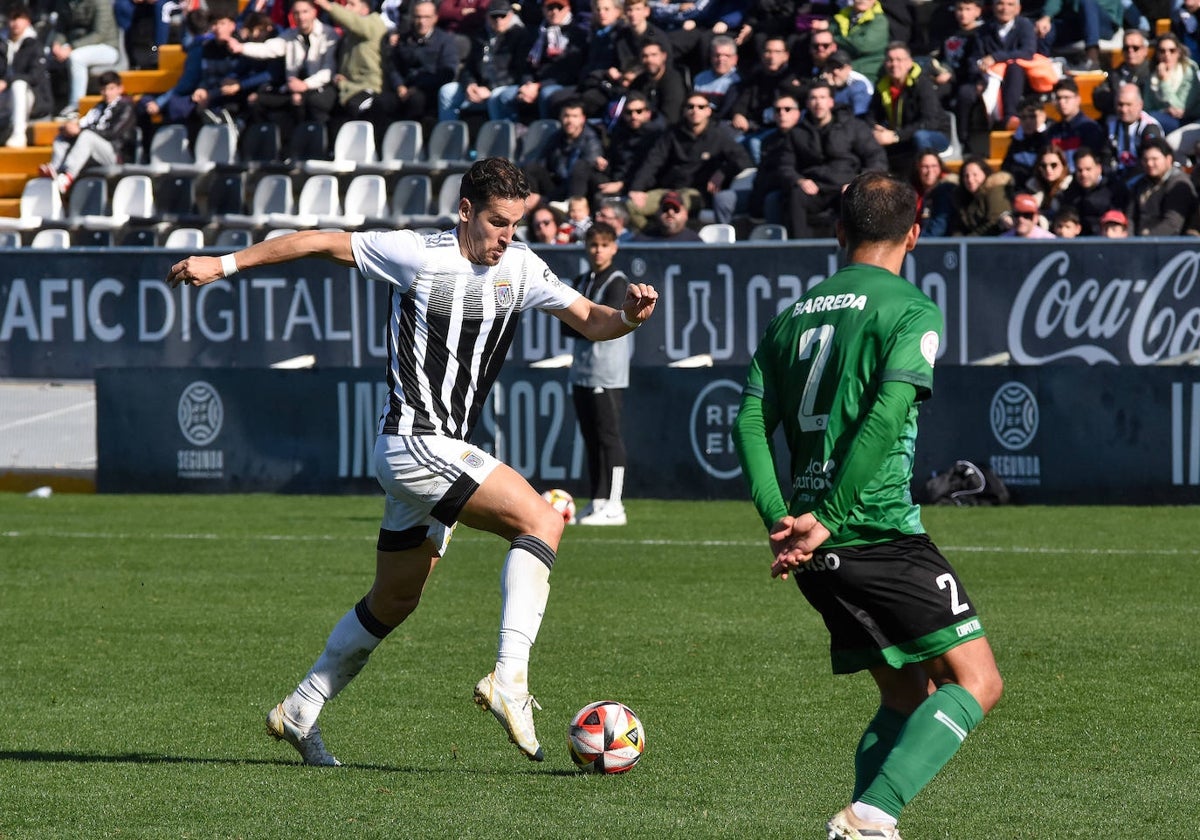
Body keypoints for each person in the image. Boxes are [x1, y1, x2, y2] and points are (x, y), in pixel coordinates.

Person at [164, 157, 659, 767]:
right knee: (543, 521)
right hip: (416, 441)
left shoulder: (521, 266)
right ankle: (511, 680)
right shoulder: (418, 253)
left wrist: (629, 318)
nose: (506, 236)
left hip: (428, 453)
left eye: (515, 224)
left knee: (394, 599)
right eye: (497, 223)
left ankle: (301, 707)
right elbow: (320, 242)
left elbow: (590, 319)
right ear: (465, 212)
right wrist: (225, 263)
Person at [731, 170, 1003, 840]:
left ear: (838, 231)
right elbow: (886, 418)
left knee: (908, 695)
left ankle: (862, 824)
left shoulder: (792, 315)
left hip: (815, 548)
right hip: (875, 533)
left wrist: (781, 516)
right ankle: (869, 815)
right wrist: (828, 517)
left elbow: (747, 422)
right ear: (915, 233)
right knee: (977, 680)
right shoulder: (911, 308)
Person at [561, 221, 633, 526]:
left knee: (608, 436)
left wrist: (584, 324)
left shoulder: (618, 282)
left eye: (604, 244)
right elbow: (567, 324)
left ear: (614, 247)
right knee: (590, 438)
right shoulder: (582, 280)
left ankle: (616, 504)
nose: (598, 250)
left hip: (607, 371)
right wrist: (584, 324)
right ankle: (598, 499)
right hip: (582, 370)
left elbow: (601, 326)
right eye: (593, 244)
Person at [626, 91, 752, 228]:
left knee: (674, 207)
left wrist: (723, 172)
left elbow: (744, 160)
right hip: (668, 190)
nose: (695, 111)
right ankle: (651, 235)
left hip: (696, 194)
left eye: (701, 107)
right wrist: (637, 188)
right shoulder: (672, 134)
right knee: (631, 206)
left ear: (708, 111)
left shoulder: (719, 136)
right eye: (690, 107)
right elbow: (653, 161)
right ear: (684, 110)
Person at [224, 0, 340, 141]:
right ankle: (269, 146)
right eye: (296, 13)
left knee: (303, 101)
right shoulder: (290, 35)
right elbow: (269, 48)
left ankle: (314, 146)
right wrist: (241, 48)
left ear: (314, 12)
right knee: (256, 100)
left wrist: (305, 85)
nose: (301, 17)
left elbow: (328, 71)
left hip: (319, 88)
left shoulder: (328, 34)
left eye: (305, 12)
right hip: (292, 87)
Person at [786, 81, 889, 238]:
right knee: (795, 194)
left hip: (845, 186)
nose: (818, 103)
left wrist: (858, 183)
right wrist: (799, 180)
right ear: (807, 103)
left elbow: (876, 158)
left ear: (831, 102)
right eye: (813, 98)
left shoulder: (854, 126)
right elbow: (784, 165)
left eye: (822, 97)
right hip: (814, 189)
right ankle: (799, 250)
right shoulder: (797, 133)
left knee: (855, 197)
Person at [39, 70, 136, 195]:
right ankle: (55, 170)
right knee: (62, 137)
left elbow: (113, 133)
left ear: (120, 89)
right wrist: (68, 129)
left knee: (87, 136)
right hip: (94, 150)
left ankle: (67, 177)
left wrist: (81, 130)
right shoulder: (99, 107)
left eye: (111, 89)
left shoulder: (126, 107)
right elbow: (83, 124)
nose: (107, 93)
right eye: (104, 89)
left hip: (115, 153)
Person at [437, 0, 533, 122]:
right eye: (494, 16)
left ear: (510, 15)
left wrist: (491, 88)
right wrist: (470, 85)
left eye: (502, 16)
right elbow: (468, 68)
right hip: (479, 88)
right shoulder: (480, 36)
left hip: (505, 87)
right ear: (487, 17)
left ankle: (499, 136)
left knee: (496, 96)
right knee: (447, 91)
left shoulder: (520, 35)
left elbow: (519, 71)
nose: (498, 20)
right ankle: (448, 135)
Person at [869, 41, 950, 174]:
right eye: (890, 60)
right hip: (903, 135)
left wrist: (896, 136)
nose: (894, 64)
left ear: (909, 62)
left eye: (899, 60)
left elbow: (930, 122)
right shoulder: (882, 85)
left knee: (920, 137)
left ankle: (924, 180)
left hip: (936, 135)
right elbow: (870, 116)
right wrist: (875, 129)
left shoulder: (922, 84)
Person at [379, 0, 460, 127]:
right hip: (404, 89)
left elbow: (447, 72)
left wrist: (418, 87)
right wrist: (399, 85)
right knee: (382, 103)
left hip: (429, 91)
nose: (422, 22)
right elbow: (394, 66)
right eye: (418, 17)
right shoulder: (404, 39)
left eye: (427, 17)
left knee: (416, 100)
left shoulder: (445, 41)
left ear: (435, 18)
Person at [48, 0, 122, 119]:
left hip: (106, 46)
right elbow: (61, 28)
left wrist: (71, 47)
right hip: (75, 46)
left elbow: (99, 34)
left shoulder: (100, 2)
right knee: (47, 55)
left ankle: (76, 106)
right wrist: (57, 44)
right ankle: (48, 107)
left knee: (76, 57)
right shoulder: (64, 3)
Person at [0, 5, 54, 149]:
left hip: (30, 98)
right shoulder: (2, 44)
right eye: (12, 18)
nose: (15, 23)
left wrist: (7, 81)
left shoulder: (35, 45)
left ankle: (19, 134)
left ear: (28, 21)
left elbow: (35, 77)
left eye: (20, 18)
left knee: (19, 84)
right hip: (4, 99)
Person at [1129, 136, 1198, 235]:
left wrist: (1145, 243)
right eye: (1145, 159)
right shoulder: (1140, 184)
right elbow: (1130, 217)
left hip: (1167, 245)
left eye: (1154, 159)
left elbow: (1172, 224)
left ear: (1168, 159)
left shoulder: (1178, 185)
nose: (1149, 163)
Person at [1104, 81, 1165, 184]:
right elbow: (1105, 155)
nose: (1124, 109)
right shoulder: (1111, 124)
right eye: (1120, 104)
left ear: (1140, 104)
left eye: (1128, 105)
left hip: (1144, 178)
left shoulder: (1150, 127)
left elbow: (1150, 161)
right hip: (1118, 176)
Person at [1059, 145, 1128, 234]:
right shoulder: (1071, 192)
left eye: (1088, 169)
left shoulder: (1115, 189)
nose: (1083, 174)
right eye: (1079, 170)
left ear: (1099, 169)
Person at [1045, 77, 1105, 172]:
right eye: (1058, 98)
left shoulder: (1090, 128)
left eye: (1066, 98)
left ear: (1078, 99)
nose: (1061, 102)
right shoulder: (1052, 132)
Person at [1092, 28, 1152, 118]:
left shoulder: (1152, 72)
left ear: (1145, 50)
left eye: (1135, 48)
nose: (1130, 51)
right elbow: (1099, 96)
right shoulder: (1116, 73)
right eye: (1126, 48)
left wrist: (1117, 97)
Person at [950, 155, 1014, 235]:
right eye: (966, 176)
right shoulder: (961, 196)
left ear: (985, 174)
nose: (970, 180)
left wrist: (968, 241)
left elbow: (994, 222)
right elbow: (958, 225)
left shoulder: (995, 190)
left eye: (975, 175)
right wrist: (956, 243)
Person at [830, 0, 889, 82]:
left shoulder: (879, 20)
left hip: (868, 75)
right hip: (840, 71)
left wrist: (835, 39)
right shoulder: (841, 16)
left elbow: (862, 46)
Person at [1001, 95, 1055, 185]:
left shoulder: (1053, 135)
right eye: (1024, 117)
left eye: (1032, 116)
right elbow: (1006, 167)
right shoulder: (1017, 139)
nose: (1028, 121)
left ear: (1043, 116)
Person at [911, 149, 956, 236]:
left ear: (940, 167)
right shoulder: (911, 191)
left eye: (934, 166)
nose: (930, 171)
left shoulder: (946, 191)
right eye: (925, 166)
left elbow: (938, 228)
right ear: (917, 168)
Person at [632, 188, 703, 239]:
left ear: (685, 214)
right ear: (658, 212)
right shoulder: (642, 240)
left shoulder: (694, 243)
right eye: (665, 208)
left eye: (676, 209)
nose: (670, 212)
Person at [822, 49, 874, 117]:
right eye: (831, 67)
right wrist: (828, 88)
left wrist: (831, 90)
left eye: (839, 67)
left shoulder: (858, 86)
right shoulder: (827, 83)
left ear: (849, 68)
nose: (835, 71)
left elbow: (859, 118)